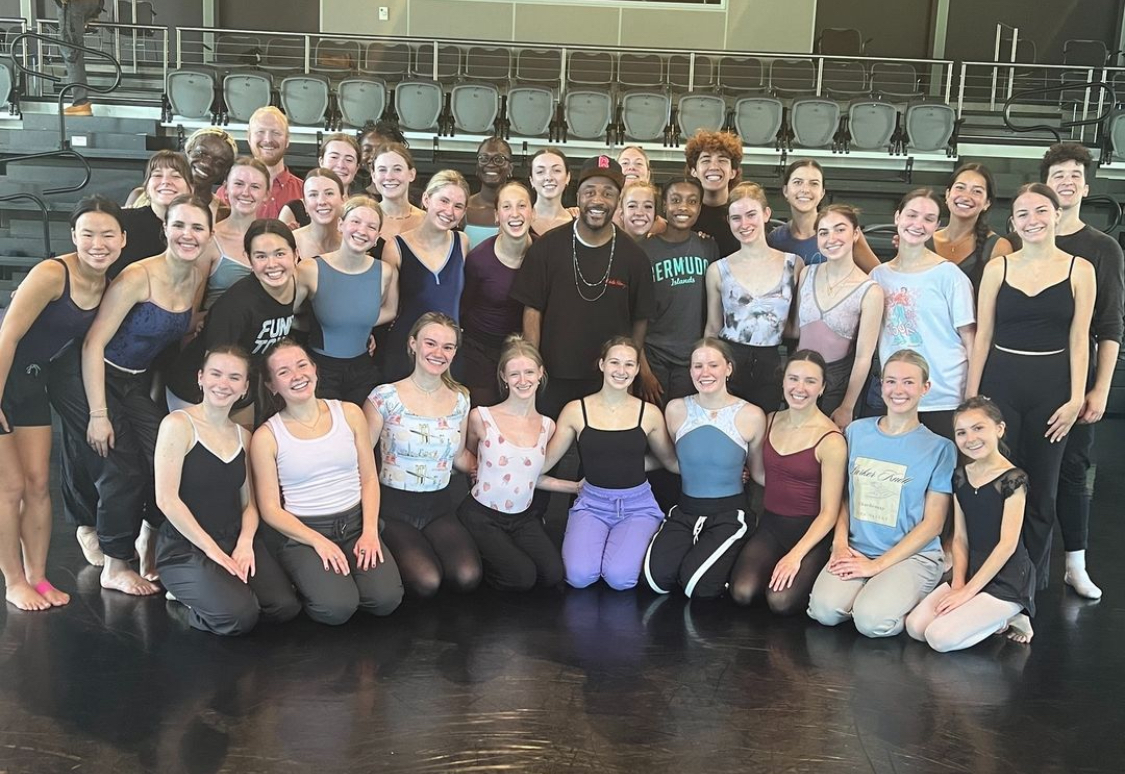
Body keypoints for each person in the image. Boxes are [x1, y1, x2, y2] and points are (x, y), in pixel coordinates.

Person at [967, 183, 1095, 592]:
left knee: (1041, 489)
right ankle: (991, 577)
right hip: (1001, 385)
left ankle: (1028, 587)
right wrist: (973, 400)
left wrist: (1076, 397)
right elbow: (982, 335)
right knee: (998, 484)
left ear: (1057, 214)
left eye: (1041, 211)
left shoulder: (1081, 269)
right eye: (1023, 214)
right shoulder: (998, 268)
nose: (1033, 220)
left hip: (1052, 390)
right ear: (1013, 222)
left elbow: (1080, 338)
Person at [1009, 142, 1123, 599]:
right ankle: (1013, 564)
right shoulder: (1023, 242)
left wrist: (1099, 389)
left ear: (1085, 186)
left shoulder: (1101, 248)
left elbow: (1110, 326)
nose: (1067, 181)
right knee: (1016, 469)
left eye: (1075, 174)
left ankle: (1075, 563)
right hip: (1023, 380)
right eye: (1059, 175)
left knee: (1073, 469)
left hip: (1075, 379)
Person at [80, 194, 209, 596]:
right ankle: (114, 564)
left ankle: (148, 542)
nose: (188, 235)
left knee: (164, 460)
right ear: (165, 229)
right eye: (179, 225)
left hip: (136, 381)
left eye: (197, 227)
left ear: (208, 234)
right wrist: (98, 413)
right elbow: (93, 345)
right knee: (123, 469)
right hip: (99, 374)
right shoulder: (138, 275)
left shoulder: (196, 274)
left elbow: (176, 338)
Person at [0, 196, 121, 610]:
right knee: (9, 487)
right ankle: (13, 581)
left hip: (32, 382)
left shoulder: (107, 283)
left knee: (38, 485)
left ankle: (37, 576)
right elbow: (8, 336)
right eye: (87, 234)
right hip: (3, 376)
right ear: (73, 237)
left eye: (107, 234)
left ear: (122, 239)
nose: (97, 243)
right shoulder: (52, 273)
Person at [252, 340, 403, 624]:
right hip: (306, 532)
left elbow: (369, 478)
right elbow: (270, 509)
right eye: (283, 372)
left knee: (385, 600)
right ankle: (300, 574)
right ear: (272, 385)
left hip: (356, 523)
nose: (297, 376)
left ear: (315, 369)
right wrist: (317, 541)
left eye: (301, 365)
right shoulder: (267, 436)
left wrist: (370, 532)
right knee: (336, 609)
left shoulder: (349, 413)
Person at [807, 350, 954, 638]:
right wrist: (839, 545)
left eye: (909, 382)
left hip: (911, 557)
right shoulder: (856, 432)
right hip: (858, 549)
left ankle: (916, 600)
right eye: (891, 381)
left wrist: (877, 567)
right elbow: (845, 497)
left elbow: (934, 524)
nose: (898, 390)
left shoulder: (940, 448)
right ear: (881, 386)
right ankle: (875, 595)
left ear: (925, 388)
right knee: (824, 611)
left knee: (871, 622)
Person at [154, 346, 300, 635]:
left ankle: (221, 592)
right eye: (216, 374)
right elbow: (166, 500)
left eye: (234, 377)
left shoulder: (243, 436)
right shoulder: (178, 425)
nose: (223, 384)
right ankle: (188, 603)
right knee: (238, 617)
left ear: (245, 387)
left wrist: (245, 542)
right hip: (187, 547)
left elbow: (249, 504)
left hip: (232, 539)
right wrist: (212, 550)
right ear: (200, 378)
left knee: (284, 607)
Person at [512, 155, 654, 420]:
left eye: (608, 193)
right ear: (577, 197)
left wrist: (631, 371)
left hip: (608, 379)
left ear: (619, 201)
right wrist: (532, 366)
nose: (598, 200)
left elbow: (639, 320)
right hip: (553, 375)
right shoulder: (546, 247)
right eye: (590, 191)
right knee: (548, 452)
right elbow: (532, 310)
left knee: (600, 456)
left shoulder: (635, 257)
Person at [544, 337, 678, 590]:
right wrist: (498, 465)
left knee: (620, 579)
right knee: (579, 577)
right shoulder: (576, 410)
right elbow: (543, 463)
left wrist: (730, 472)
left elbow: (669, 461)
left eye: (629, 364)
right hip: (592, 503)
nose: (621, 370)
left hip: (637, 506)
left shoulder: (649, 413)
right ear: (602, 364)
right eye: (615, 362)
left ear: (638, 370)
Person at [363, 313, 482, 598]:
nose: (438, 353)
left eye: (448, 347)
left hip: (438, 507)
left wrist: (495, 467)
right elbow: (362, 461)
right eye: (431, 343)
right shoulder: (384, 397)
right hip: (393, 509)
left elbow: (459, 457)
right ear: (413, 344)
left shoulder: (461, 399)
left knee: (468, 575)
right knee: (427, 581)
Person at [905, 396, 1035, 651]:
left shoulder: (1014, 479)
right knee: (916, 627)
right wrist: (959, 584)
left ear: (999, 429)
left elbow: (1007, 545)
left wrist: (967, 594)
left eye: (978, 428)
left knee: (939, 638)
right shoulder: (961, 477)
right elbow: (961, 538)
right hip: (973, 570)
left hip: (1007, 577)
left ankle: (1010, 615)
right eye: (961, 432)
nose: (970, 438)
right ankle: (992, 615)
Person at [644, 338, 766, 599]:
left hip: (729, 514)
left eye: (713, 365)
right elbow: (672, 462)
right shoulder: (676, 409)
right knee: (656, 581)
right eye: (697, 366)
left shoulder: (751, 415)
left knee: (697, 588)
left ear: (728, 368)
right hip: (685, 510)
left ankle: (727, 559)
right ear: (690, 371)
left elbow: (757, 472)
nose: (705, 372)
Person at [728, 351, 846, 615]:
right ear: (783, 382)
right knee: (742, 592)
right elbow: (763, 476)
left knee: (779, 602)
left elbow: (830, 512)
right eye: (793, 378)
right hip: (772, 526)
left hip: (811, 534)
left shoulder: (831, 439)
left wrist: (796, 555)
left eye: (810, 381)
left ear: (822, 387)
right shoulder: (769, 420)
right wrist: (740, 472)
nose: (800, 388)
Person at [457, 337, 569, 591]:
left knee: (552, 573)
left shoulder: (548, 426)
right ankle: (479, 555)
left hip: (522, 518)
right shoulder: (481, 417)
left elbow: (530, 475)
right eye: (514, 373)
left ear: (541, 374)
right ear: (504, 377)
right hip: (481, 514)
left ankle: (502, 553)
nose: (523, 380)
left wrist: (575, 487)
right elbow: (471, 456)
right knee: (522, 577)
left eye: (529, 372)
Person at [166, 220, 301, 419]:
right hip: (199, 388)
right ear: (249, 259)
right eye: (261, 256)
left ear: (295, 254)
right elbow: (215, 370)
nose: (272, 264)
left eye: (280, 253)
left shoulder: (296, 283)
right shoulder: (238, 305)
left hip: (243, 383)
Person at [868, 188, 976, 439]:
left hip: (943, 397)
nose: (918, 224)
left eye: (928, 219)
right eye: (912, 215)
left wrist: (971, 395)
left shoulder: (949, 275)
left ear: (937, 226)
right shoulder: (878, 276)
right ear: (897, 217)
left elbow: (971, 341)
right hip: (897, 396)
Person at [704, 182, 802, 411]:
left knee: (763, 432)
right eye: (736, 218)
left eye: (751, 215)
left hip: (771, 363)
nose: (744, 224)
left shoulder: (793, 264)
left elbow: (796, 326)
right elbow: (712, 328)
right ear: (729, 221)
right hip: (729, 360)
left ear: (766, 214)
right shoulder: (718, 270)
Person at [301, 196, 397, 405]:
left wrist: (357, 324)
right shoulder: (310, 269)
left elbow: (390, 311)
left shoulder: (385, 271)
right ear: (340, 224)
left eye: (371, 226)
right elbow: (285, 314)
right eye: (355, 222)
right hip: (320, 370)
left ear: (377, 236)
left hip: (363, 370)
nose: (362, 231)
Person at [380, 170, 471, 382]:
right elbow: (388, 308)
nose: (449, 211)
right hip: (406, 352)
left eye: (458, 206)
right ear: (426, 199)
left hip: (448, 353)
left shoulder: (462, 242)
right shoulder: (396, 247)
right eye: (444, 201)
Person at [796, 204, 882, 426]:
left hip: (837, 383)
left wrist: (847, 405)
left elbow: (864, 356)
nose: (831, 238)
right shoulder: (807, 273)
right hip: (799, 377)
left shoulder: (870, 290)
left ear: (855, 234)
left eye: (839, 229)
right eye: (823, 232)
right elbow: (796, 328)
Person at [637, 176, 719, 404]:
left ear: (700, 208)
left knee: (683, 426)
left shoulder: (708, 246)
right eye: (675, 200)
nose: (683, 207)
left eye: (692, 201)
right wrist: (643, 370)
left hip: (692, 358)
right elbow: (632, 317)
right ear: (664, 205)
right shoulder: (644, 250)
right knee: (653, 428)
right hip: (654, 357)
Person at [460, 181, 534, 407]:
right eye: (507, 207)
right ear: (496, 215)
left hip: (525, 351)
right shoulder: (478, 260)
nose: (515, 214)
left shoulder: (544, 255)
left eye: (522, 206)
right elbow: (464, 307)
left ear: (533, 212)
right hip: (480, 351)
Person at [767, 159, 880, 272]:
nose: (805, 189)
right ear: (785, 190)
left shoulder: (845, 232)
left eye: (814, 183)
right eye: (797, 182)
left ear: (822, 193)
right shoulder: (775, 239)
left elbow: (878, 275)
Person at [196, 158, 270, 311]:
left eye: (255, 187)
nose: (246, 192)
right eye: (238, 184)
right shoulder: (209, 240)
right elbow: (193, 310)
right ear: (226, 188)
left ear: (266, 195)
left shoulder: (277, 240)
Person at [932, 162, 1012, 290]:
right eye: (960, 187)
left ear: (987, 203)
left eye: (977, 191)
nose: (966, 196)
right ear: (947, 194)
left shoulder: (998, 247)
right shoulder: (924, 240)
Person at [114, 150, 193, 279]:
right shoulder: (121, 221)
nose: (166, 181)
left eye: (176, 176)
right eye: (157, 175)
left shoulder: (196, 228)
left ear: (191, 188)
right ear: (146, 187)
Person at [126, 128, 237, 219]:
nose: (207, 164)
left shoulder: (222, 214)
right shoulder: (139, 196)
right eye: (201, 153)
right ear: (188, 151)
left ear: (225, 171)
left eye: (219, 162)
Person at [217, 107, 302, 220]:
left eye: (276, 133)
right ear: (249, 138)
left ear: (287, 140)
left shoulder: (306, 192)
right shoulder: (227, 193)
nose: (267, 140)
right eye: (260, 132)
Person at [279, 133, 362, 228]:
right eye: (334, 157)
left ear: (356, 168)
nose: (341, 165)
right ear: (321, 161)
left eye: (349, 160)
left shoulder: (364, 210)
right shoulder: (293, 210)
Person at [684, 129, 741, 256]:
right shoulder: (683, 215)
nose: (714, 167)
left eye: (722, 160)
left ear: (733, 172)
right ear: (694, 171)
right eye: (706, 160)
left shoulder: (744, 215)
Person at [55, 0, 105, 115]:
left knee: (70, 49)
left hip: (72, 4)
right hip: (93, 4)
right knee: (73, 46)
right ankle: (80, 101)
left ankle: (80, 102)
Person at [464, 137, 514, 249]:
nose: (491, 164)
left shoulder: (521, 211)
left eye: (499, 159)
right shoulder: (463, 208)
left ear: (510, 168)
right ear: (477, 167)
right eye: (484, 158)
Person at [369, 142, 425, 241]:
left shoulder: (427, 222)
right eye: (382, 170)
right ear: (374, 176)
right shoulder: (363, 219)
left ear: (411, 174)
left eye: (397, 169)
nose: (389, 177)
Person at [292, 168, 345, 261]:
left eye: (329, 193)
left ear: (342, 199)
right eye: (313, 195)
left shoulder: (353, 241)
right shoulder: (289, 242)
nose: (322, 201)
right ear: (305, 204)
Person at [613, 147, 666, 234]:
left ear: (648, 175)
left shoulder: (662, 228)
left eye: (638, 163)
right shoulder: (602, 217)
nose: (631, 167)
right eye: (625, 163)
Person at [529, 148, 573, 236]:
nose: (549, 177)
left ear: (568, 177)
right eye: (540, 171)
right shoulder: (519, 220)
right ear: (531, 180)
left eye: (556, 170)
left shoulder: (579, 224)